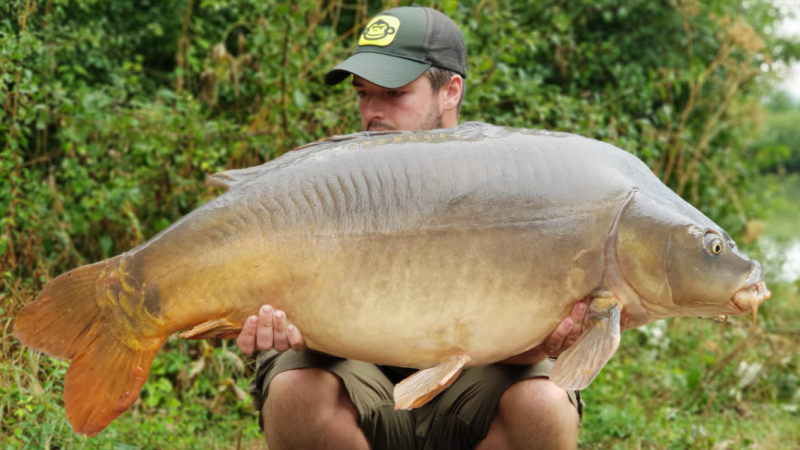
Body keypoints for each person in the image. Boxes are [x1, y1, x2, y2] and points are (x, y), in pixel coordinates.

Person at [235, 6, 587, 449]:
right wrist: (286, 328)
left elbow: (524, 342)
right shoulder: (328, 185)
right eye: (363, 93)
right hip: (359, 390)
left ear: (451, 91)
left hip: (473, 395)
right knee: (295, 389)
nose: (372, 113)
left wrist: (546, 342)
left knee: (544, 400)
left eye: (394, 93)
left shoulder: (510, 188)